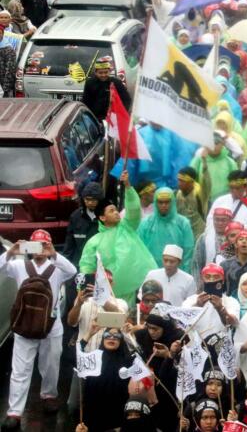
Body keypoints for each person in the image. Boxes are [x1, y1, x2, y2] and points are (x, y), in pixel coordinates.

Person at [0, 230, 78, 428]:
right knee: (20, 369)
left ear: (49, 246)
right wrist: (11, 252)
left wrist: (54, 254)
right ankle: (14, 411)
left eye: (44, 245)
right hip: (25, 324)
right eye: (35, 245)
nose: (39, 250)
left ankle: (49, 395)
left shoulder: (57, 267)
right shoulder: (19, 265)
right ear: (29, 247)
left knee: (51, 364)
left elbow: (73, 272)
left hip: (51, 325)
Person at [79, 171, 157, 305]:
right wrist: (82, 290)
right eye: (111, 211)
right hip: (107, 295)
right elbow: (86, 266)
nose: (116, 213)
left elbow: (133, 210)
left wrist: (128, 186)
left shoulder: (127, 227)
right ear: (102, 218)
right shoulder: (94, 241)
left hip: (134, 291)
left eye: (116, 210)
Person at [138, 187, 195, 272]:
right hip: (152, 273)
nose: (163, 205)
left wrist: (185, 273)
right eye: (160, 202)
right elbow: (140, 250)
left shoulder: (183, 223)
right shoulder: (146, 224)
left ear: (172, 202)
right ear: (155, 203)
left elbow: (188, 251)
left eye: (167, 202)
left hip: (177, 273)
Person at [182, 263, 240, 340]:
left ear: (222, 281)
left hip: (220, 347)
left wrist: (221, 309)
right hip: (196, 347)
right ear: (202, 279)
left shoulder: (231, 301)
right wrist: (197, 306)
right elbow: (182, 322)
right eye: (208, 277)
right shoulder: (190, 300)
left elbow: (233, 323)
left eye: (216, 277)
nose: (211, 280)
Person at [63, 182, 103, 268]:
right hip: (79, 263)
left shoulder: (106, 215)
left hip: (101, 264)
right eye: (87, 199)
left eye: (93, 200)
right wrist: (66, 264)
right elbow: (69, 243)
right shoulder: (75, 216)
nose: (90, 203)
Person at [81, 57, 132, 121]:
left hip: (114, 117)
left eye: (106, 72)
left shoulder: (116, 82)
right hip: (95, 118)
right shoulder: (90, 83)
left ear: (109, 71)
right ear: (95, 72)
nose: (103, 75)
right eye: (100, 73)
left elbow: (127, 100)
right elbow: (85, 102)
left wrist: (120, 115)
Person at [176, 165, 211, 239]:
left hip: (199, 234)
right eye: (178, 180)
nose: (179, 183)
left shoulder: (199, 194)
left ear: (191, 182)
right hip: (183, 233)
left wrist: (205, 168)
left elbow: (207, 184)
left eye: (182, 181)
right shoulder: (178, 194)